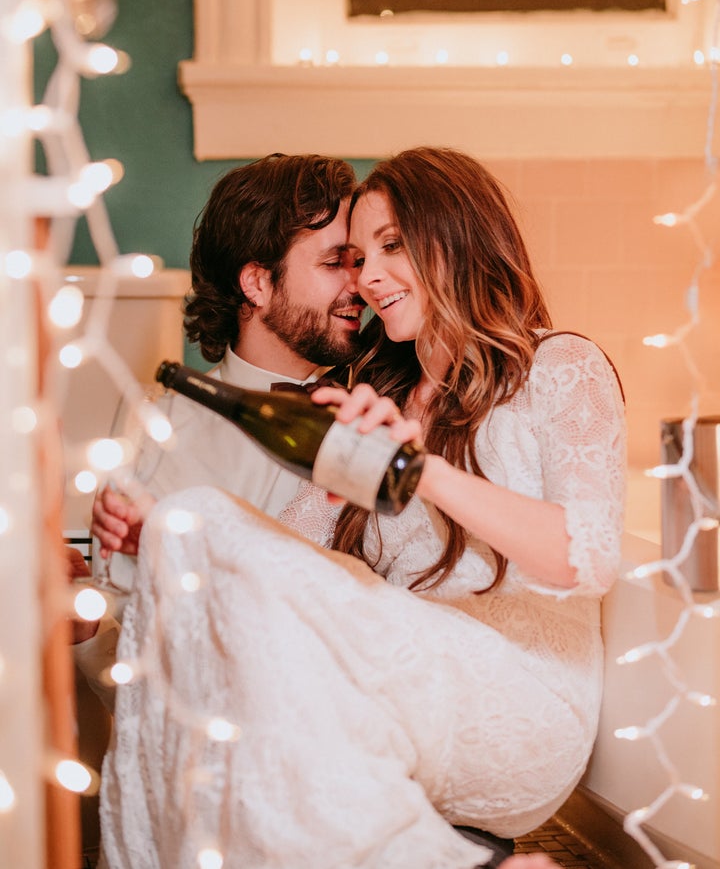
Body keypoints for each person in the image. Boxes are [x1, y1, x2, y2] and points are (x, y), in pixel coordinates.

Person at [98, 147, 626, 869]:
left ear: (456, 237)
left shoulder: (560, 366)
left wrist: (420, 469)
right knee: (203, 528)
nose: (367, 278)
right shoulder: (381, 393)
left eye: (391, 246)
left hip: (520, 702)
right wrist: (160, 536)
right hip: (401, 697)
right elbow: (276, 563)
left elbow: (586, 555)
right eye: (353, 255)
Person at [75, 152, 363, 705]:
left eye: (359, 261)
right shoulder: (152, 425)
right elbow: (115, 636)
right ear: (257, 282)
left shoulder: (380, 413)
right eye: (335, 263)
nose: (360, 284)